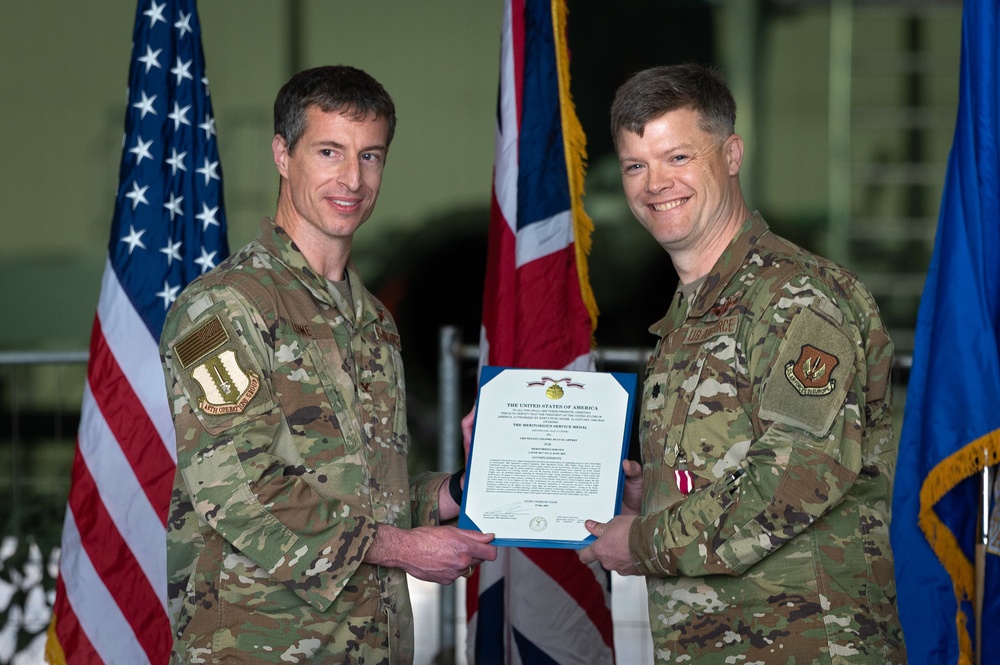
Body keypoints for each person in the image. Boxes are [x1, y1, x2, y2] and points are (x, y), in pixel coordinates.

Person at [159, 64, 497, 665]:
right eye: (329, 151)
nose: (352, 179)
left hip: (371, 645)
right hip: (259, 646)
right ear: (283, 155)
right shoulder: (221, 309)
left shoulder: (373, 320)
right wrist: (403, 548)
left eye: (371, 156)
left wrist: (462, 490)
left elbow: (367, 496)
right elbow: (240, 492)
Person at [579, 63, 906, 663]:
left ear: (730, 155)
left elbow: (797, 475)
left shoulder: (795, 296)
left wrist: (647, 541)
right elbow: (729, 460)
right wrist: (650, 494)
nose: (655, 184)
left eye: (677, 158)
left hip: (802, 645)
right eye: (635, 165)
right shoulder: (692, 312)